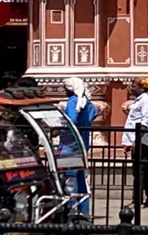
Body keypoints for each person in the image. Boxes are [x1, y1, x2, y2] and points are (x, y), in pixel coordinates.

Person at [63, 78, 97, 214]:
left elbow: (71, 120)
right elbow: (94, 113)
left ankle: (71, 209)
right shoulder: (87, 103)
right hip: (83, 144)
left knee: (70, 179)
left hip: (70, 146)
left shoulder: (72, 102)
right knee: (81, 178)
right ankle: (84, 210)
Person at [123, 78, 148, 209]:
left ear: (142, 88)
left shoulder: (146, 101)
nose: (131, 88)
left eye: (133, 85)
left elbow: (145, 122)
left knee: (140, 171)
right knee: (145, 170)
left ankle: (137, 200)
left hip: (141, 141)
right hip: (137, 140)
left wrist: (135, 141)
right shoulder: (139, 101)